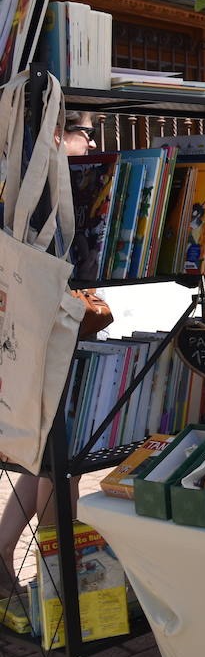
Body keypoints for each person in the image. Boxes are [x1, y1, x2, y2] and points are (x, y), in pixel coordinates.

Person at [0, 109, 99, 598]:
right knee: (63, 457)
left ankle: (21, 558)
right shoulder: (49, 178)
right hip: (52, 330)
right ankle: (62, 576)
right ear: (59, 134)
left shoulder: (23, 173)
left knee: (48, 456)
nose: (92, 146)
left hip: (38, 326)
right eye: (87, 135)